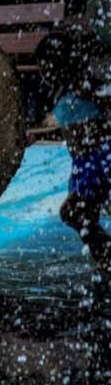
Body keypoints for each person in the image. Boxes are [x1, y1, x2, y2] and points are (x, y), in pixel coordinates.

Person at [35, 32, 111, 279]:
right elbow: (55, 119)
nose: (42, 74)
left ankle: (108, 256)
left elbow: (102, 99)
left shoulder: (83, 86)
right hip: (86, 162)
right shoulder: (66, 92)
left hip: (98, 158)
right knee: (78, 213)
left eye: (45, 68)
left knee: (76, 212)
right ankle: (106, 257)